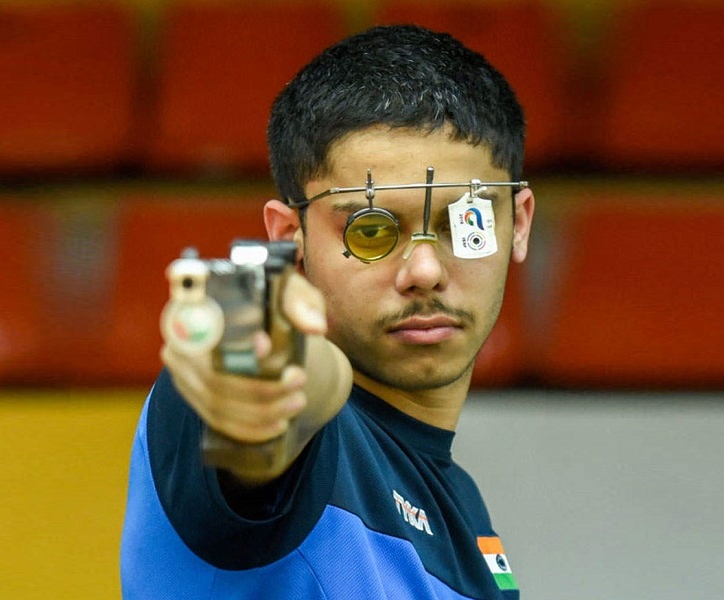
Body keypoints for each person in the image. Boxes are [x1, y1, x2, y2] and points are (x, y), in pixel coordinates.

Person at [121, 24, 534, 600]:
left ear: (519, 223)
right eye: (369, 230)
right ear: (291, 239)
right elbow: (293, 396)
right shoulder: (264, 401)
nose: (425, 271)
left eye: (467, 221)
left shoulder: (461, 500)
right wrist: (259, 376)